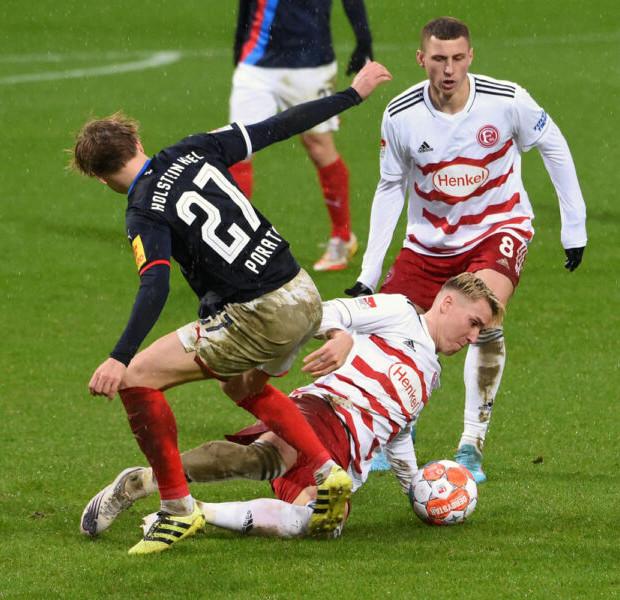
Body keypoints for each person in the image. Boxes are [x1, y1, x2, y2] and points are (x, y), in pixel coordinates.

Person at [71, 61, 392, 554]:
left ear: (99, 177)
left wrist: (119, 355)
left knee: (138, 377)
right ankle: (327, 470)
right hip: (303, 293)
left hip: (257, 313)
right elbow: (279, 126)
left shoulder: (143, 210)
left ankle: (177, 509)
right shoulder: (195, 147)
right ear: (138, 141)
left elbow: (154, 285)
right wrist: (351, 94)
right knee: (241, 384)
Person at [344, 17, 588, 482]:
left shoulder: (507, 100)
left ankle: (471, 444)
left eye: (457, 58)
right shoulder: (400, 114)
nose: (449, 69)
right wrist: (368, 274)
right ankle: (401, 426)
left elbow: (554, 147)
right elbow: (390, 186)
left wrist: (573, 227)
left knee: (482, 312)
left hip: (498, 229)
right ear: (422, 60)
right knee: (390, 334)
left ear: (470, 57)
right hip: (427, 242)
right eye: (438, 59)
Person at [80, 273, 504, 540]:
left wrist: (416, 487)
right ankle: (153, 490)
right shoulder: (399, 312)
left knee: (319, 526)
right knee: (266, 458)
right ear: (447, 303)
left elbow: (397, 434)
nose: (473, 337)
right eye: (473, 323)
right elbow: (326, 311)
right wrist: (341, 336)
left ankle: (180, 501)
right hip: (327, 409)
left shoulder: (431, 374)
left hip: (347, 458)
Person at [228, 0, 375, 271]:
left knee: (319, 147)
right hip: (256, 64)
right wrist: (239, 48)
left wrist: (363, 38)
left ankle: (342, 238)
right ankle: (234, 246)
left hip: (311, 63)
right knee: (238, 149)